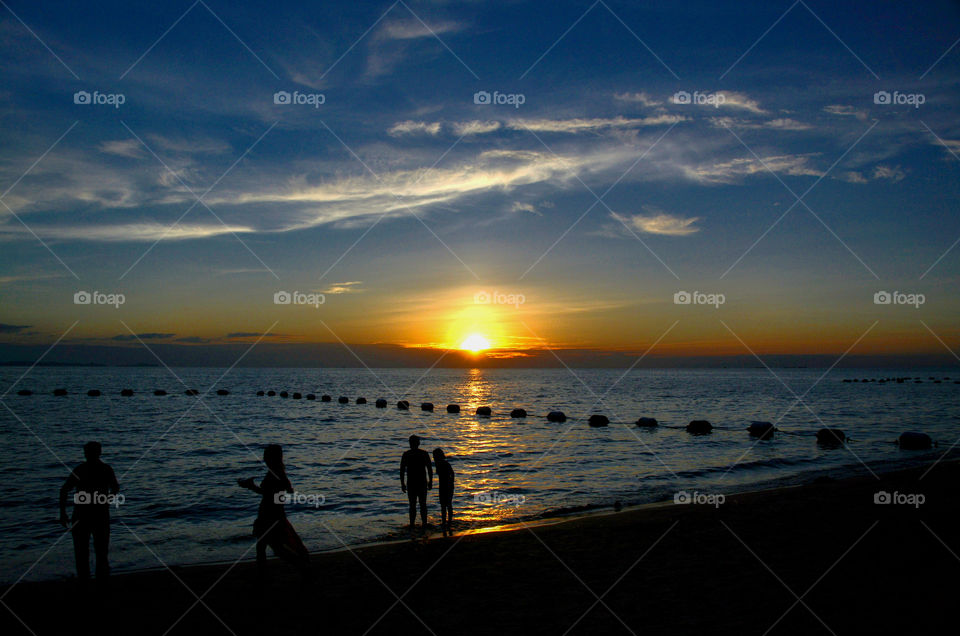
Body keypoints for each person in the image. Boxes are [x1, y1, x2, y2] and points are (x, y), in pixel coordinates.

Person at [238, 444, 309, 578]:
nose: (264, 458)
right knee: (266, 546)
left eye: (266, 456)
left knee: (274, 548)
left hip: (269, 514)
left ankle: (300, 566)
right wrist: (252, 487)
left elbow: (269, 494)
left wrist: (251, 487)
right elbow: (288, 490)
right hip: (274, 512)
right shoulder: (278, 472)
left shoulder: (275, 474)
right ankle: (266, 574)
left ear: (272, 458)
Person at [59, 441, 120, 581]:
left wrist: (62, 513)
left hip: (83, 515)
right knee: (100, 553)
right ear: (100, 453)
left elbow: (64, 490)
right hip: (98, 515)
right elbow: (115, 488)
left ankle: (86, 581)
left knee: (82, 554)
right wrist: (107, 500)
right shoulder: (105, 469)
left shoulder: (81, 469)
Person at [400, 435, 432, 531]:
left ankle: (413, 525)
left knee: (413, 505)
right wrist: (430, 481)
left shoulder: (407, 454)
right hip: (420, 482)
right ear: (418, 443)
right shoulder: (423, 454)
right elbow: (429, 469)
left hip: (414, 482)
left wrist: (402, 483)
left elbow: (402, 470)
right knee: (422, 504)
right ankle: (423, 524)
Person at [432, 448, 454, 535]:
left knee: (446, 505)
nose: (434, 458)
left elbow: (452, 474)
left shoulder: (444, 464)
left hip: (446, 486)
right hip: (444, 486)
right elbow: (452, 474)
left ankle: (447, 523)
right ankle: (446, 522)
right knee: (446, 505)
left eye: (434, 456)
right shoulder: (441, 464)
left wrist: (451, 482)